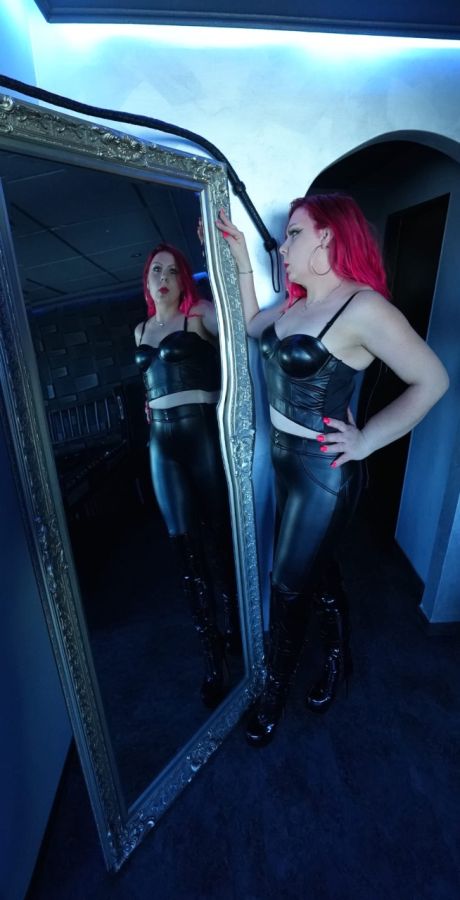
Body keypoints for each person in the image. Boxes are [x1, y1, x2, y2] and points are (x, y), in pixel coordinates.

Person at [216, 194, 449, 746]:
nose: (284, 246)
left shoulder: (362, 308)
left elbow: (433, 380)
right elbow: (250, 325)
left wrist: (366, 439)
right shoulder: (293, 307)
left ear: (327, 236)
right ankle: (340, 654)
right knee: (314, 571)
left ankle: (273, 695)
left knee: (286, 585)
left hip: (324, 473)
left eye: (294, 234)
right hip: (285, 464)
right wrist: (243, 261)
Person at [134, 243, 240, 709]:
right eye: (156, 271)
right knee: (184, 548)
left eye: (173, 271)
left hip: (201, 435)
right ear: (147, 280)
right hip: (161, 443)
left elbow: (238, 336)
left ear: (183, 280)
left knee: (218, 536)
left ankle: (236, 626)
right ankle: (212, 657)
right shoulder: (140, 330)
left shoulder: (198, 317)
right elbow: (150, 381)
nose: (164, 278)